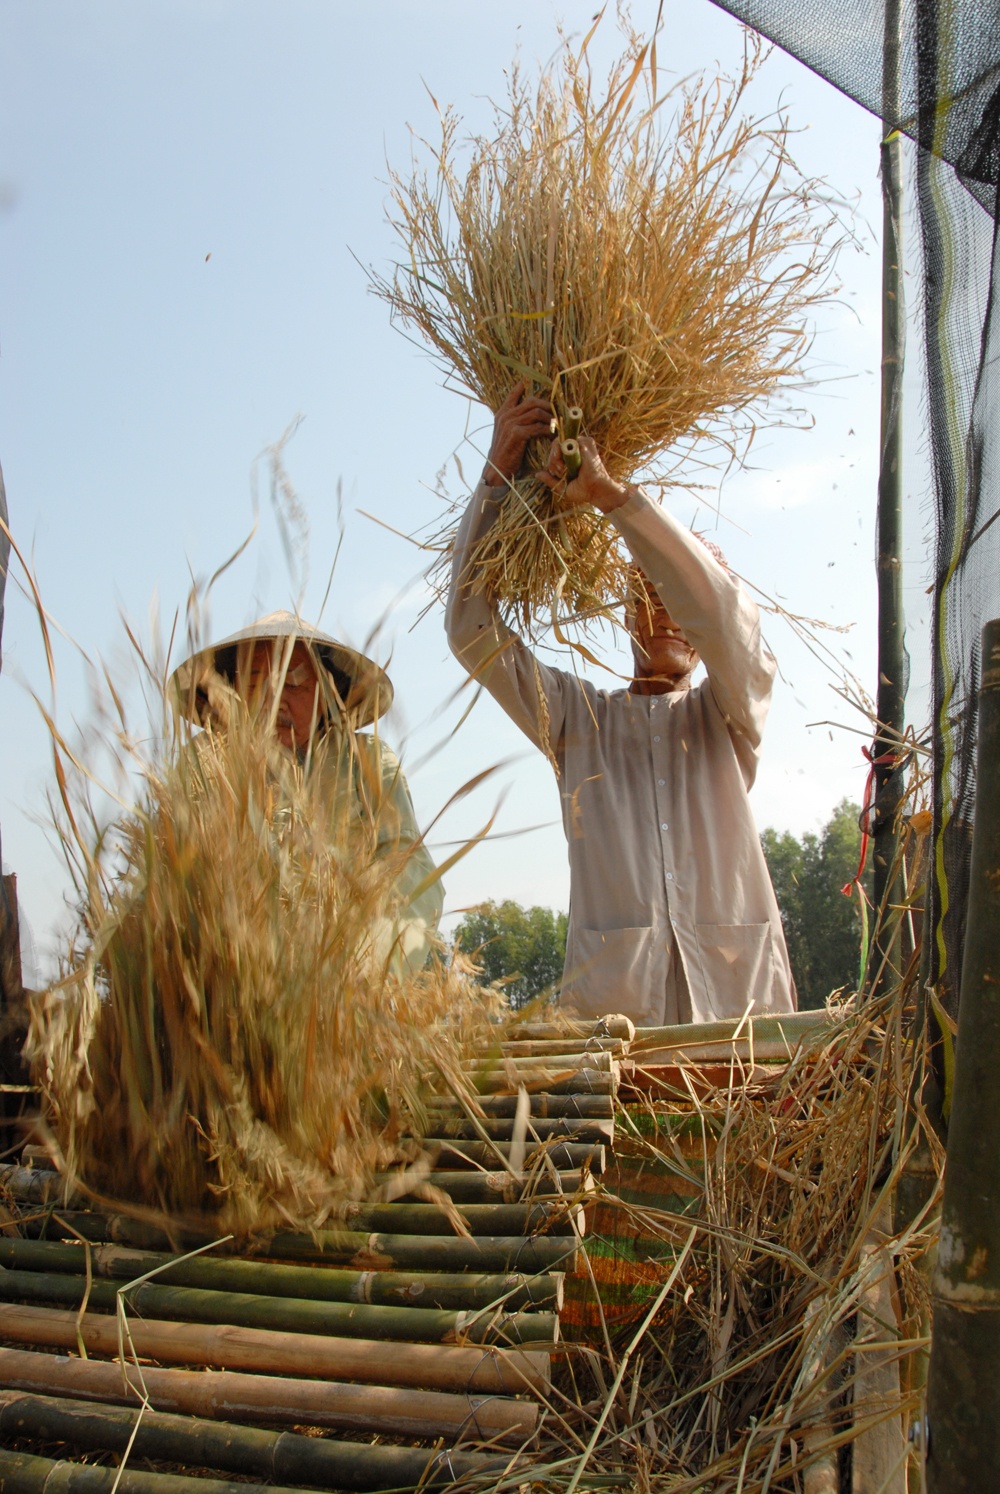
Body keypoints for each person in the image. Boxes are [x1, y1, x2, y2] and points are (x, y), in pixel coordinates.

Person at [446, 385, 795, 1026]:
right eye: (648, 593)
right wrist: (498, 473)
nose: (666, 611)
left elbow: (725, 619)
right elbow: (471, 630)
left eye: (677, 596)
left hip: (739, 1023)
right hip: (615, 1033)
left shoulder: (731, 712)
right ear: (627, 614)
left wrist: (612, 497)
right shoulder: (578, 720)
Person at [171, 612, 443, 975]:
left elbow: (412, 873)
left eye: (293, 683)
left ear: (326, 692)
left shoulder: (365, 763)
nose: (273, 701)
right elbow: (166, 871)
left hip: (342, 978)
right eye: (254, 682)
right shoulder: (203, 763)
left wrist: (362, 967)